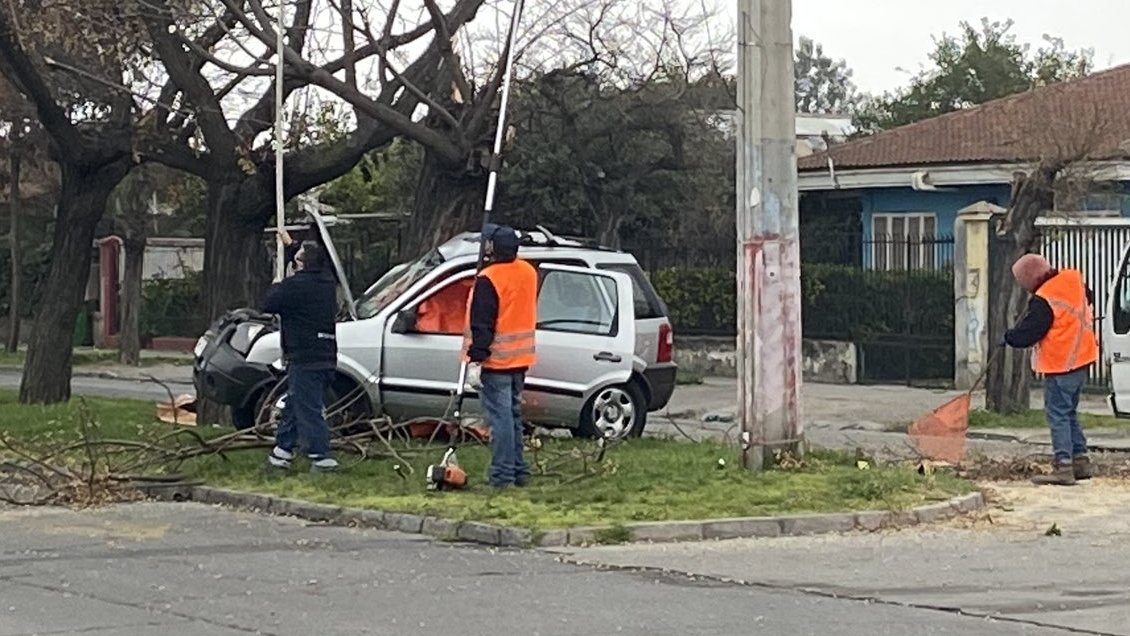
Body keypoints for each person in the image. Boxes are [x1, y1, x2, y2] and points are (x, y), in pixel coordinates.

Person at [1002, 253, 1097, 486]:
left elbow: (1032, 330)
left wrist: (1010, 338)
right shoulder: (1074, 280)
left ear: (1030, 278)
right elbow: (1088, 301)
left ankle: (1063, 466)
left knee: (1057, 414)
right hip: (1083, 359)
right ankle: (1080, 460)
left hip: (1061, 363)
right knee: (1069, 412)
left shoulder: (1044, 298)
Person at [463, 224, 538, 489]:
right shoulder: (528, 272)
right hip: (520, 359)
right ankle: (519, 471)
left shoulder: (489, 279)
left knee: (500, 419)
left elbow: (483, 324)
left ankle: (502, 476)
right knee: (513, 416)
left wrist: (475, 359)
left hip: (496, 361)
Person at [262, 236, 340, 473]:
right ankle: (282, 452)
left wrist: (276, 282)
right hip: (325, 355)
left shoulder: (294, 287)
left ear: (299, 265)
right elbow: (312, 262)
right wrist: (290, 247)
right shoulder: (326, 282)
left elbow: (270, 303)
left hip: (304, 356)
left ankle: (321, 457)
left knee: (308, 409)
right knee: (296, 403)